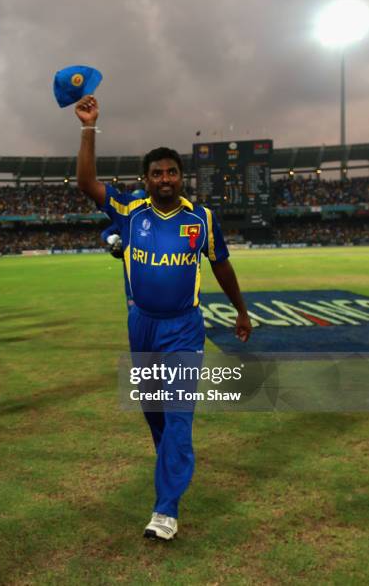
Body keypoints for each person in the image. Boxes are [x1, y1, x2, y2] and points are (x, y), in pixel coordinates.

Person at [74, 95, 252, 540]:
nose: (166, 178)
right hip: (142, 325)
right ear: (147, 180)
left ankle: (166, 508)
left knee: (177, 414)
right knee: (154, 412)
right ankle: (170, 460)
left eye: (172, 171)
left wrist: (241, 309)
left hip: (183, 327)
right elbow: (87, 183)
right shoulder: (131, 214)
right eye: (157, 173)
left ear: (181, 177)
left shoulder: (203, 218)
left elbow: (222, 266)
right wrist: (89, 127)